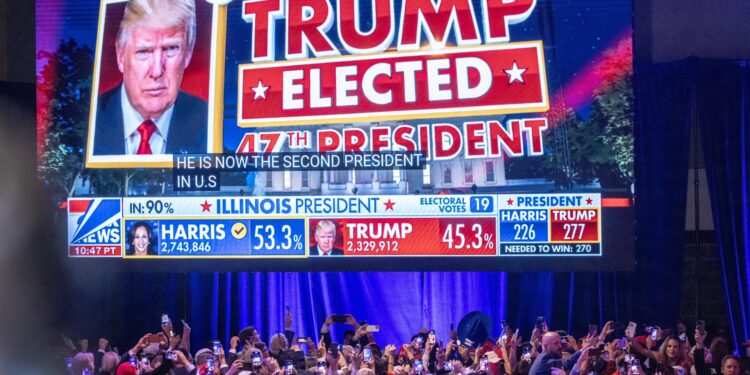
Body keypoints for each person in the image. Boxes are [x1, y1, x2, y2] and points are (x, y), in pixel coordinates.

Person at [93, 0, 207, 156]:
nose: (156, 71)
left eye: (171, 48)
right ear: (120, 56)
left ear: (188, 53)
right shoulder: (89, 119)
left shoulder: (209, 123)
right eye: (144, 51)